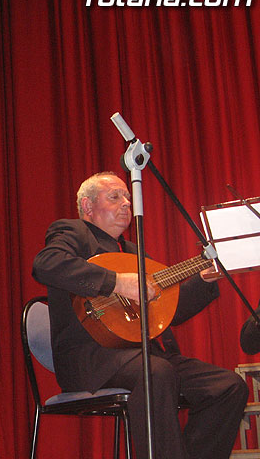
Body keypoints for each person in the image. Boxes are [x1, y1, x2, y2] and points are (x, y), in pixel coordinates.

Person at [32, 171, 248, 459]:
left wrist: (203, 279)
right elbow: (46, 264)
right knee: (155, 373)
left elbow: (173, 313)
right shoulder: (74, 233)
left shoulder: (133, 252)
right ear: (87, 207)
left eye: (128, 198)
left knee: (228, 387)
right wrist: (117, 282)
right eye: (115, 197)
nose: (126, 204)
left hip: (145, 356)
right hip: (91, 359)